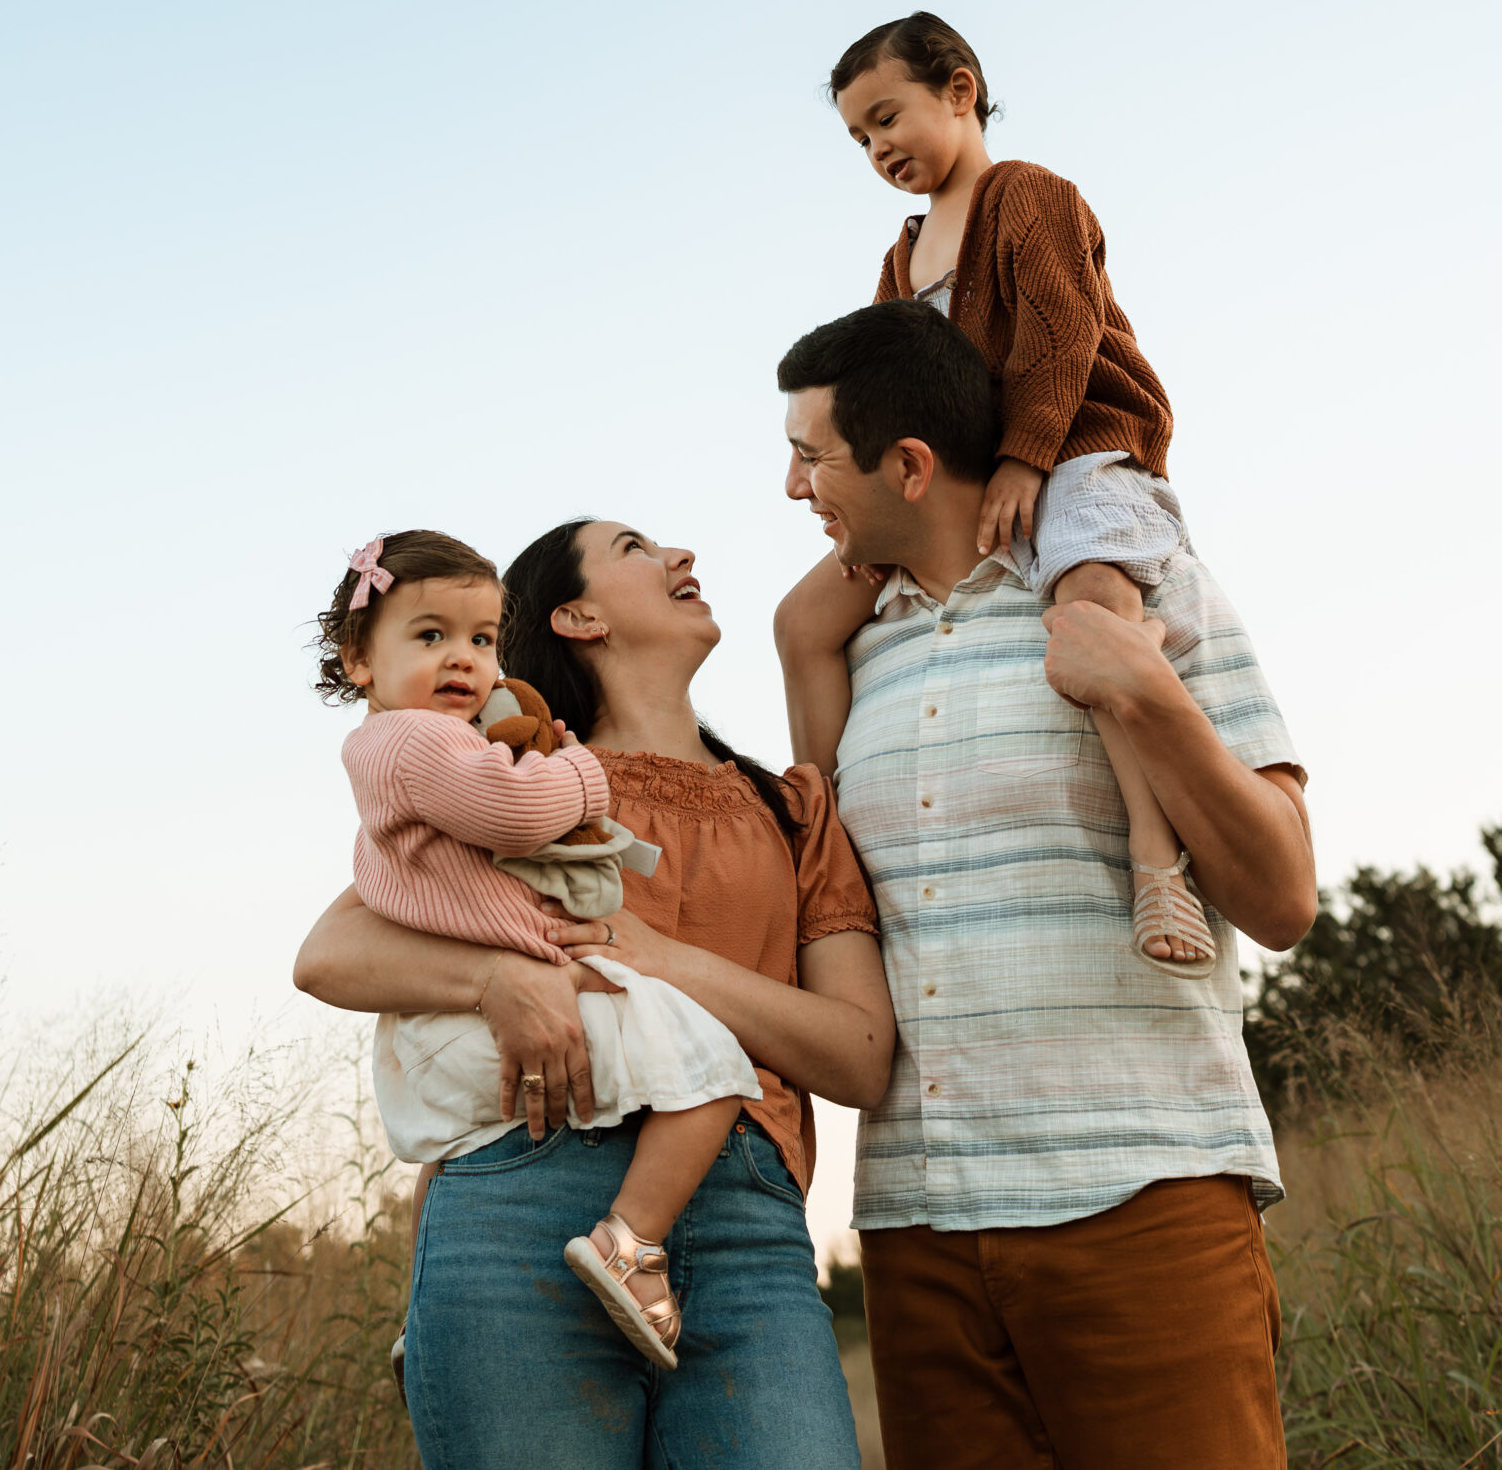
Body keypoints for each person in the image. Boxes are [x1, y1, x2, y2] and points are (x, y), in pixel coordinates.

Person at [774, 298, 1315, 1470]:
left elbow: (1283, 898)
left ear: (908, 465)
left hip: (1141, 1193)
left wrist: (1146, 693)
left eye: (810, 455)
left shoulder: (1144, 584)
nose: (792, 488)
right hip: (917, 1230)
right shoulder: (850, 650)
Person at [295, 517, 893, 1470]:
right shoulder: (514, 789)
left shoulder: (792, 811)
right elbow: (330, 950)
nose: (681, 556)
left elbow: (860, 1058)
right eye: (635, 548)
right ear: (573, 616)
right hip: (521, 1193)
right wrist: (496, 978)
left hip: (748, 1228)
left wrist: (663, 958)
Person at [317, 525, 760, 1369]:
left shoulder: (407, 747)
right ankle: (631, 1245)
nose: (464, 659)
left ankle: (425, 1311)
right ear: (359, 661)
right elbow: (517, 816)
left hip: (447, 1024)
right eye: (430, 636)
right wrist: (582, 772)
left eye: (482, 640)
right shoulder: (418, 740)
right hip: (497, 1010)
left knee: (452, 1162)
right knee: (711, 1066)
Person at [829, 6, 1211, 970]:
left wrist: (1027, 454)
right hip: (978, 473)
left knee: (1090, 591)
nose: (877, 146)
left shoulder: (1028, 195)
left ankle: (1156, 856)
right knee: (811, 618)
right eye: (858, 136)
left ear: (958, 89)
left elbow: (1060, 333)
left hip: (1076, 439)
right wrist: (864, 512)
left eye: (887, 116)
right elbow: (893, 392)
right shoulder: (900, 255)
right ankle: (837, 870)